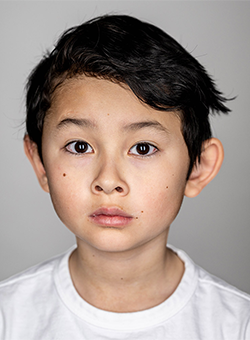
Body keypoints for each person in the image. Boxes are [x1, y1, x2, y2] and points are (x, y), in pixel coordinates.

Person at [0, 14, 249, 340]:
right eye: (80, 146)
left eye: (143, 148)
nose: (108, 180)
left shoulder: (237, 325)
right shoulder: (9, 318)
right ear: (40, 162)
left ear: (198, 166)